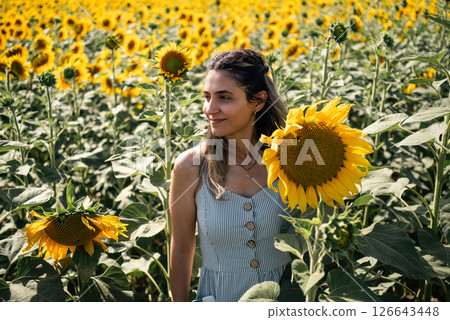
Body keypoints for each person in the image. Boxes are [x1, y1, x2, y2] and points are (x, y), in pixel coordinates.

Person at [169, 49, 291, 302]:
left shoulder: (290, 160)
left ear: (257, 102)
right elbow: (181, 250)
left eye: (224, 98)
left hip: (288, 299)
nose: (210, 109)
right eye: (207, 97)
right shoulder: (191, 167)